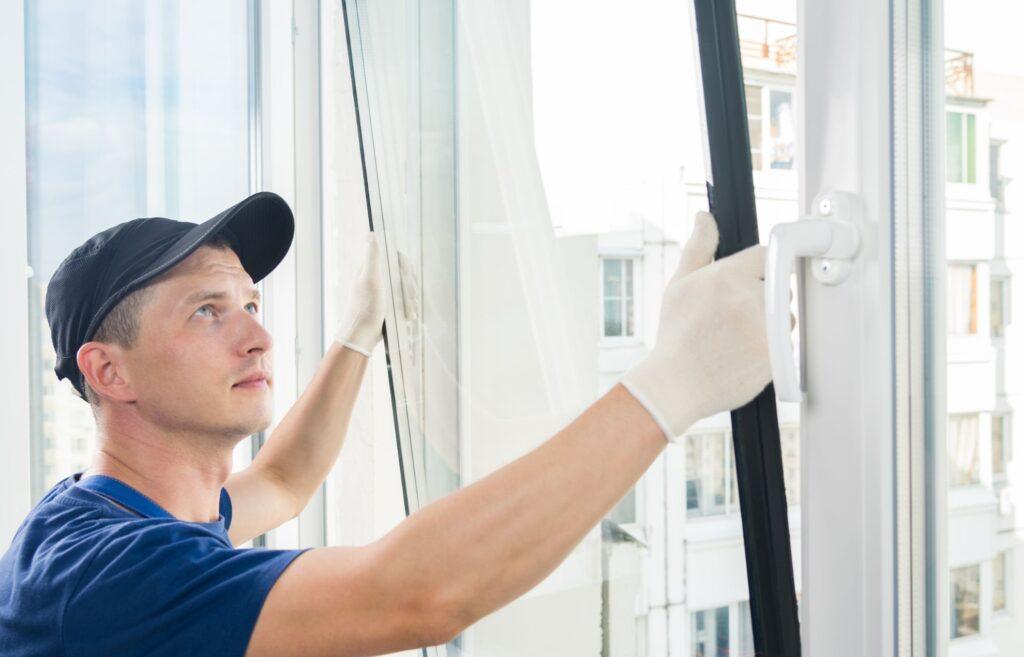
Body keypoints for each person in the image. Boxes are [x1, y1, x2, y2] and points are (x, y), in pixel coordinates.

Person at [0, 191, 769, 657]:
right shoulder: (104, 577)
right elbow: (421, 591)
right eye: (208, 312)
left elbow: (283, 478)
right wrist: (672, 383)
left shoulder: (115, 514)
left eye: (252, 306)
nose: (257, 337)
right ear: (109, 371)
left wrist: (357, 334)